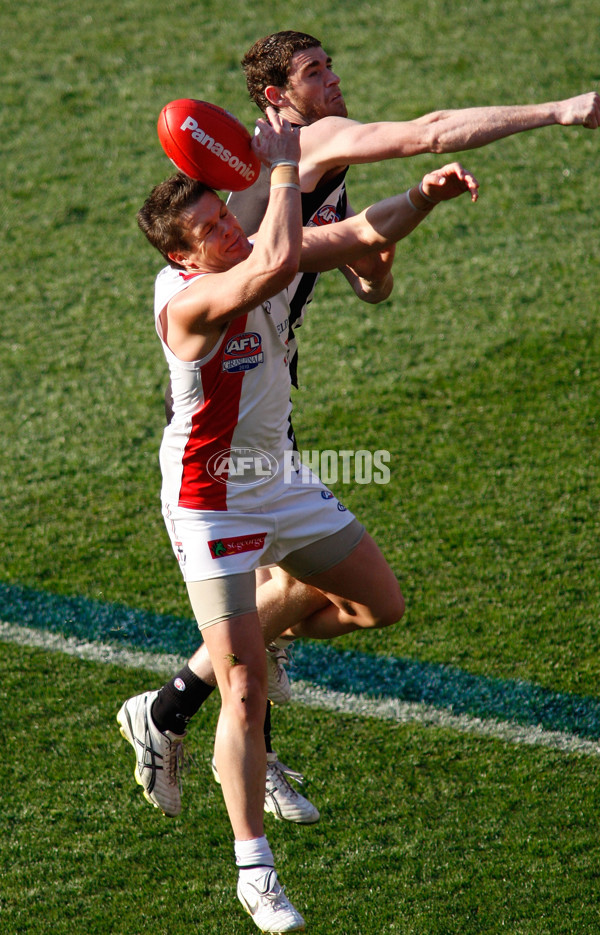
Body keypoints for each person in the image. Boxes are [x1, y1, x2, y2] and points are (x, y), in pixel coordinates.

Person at [132, 29, 600, 826]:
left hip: (264, 396)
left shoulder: (318, 171)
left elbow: (363, 274)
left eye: (330, 67)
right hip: (223, 414)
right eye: (316, 74)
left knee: (307, 601)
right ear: (278, 98)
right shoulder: (309, 144)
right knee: (261, 627)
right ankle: (196, 722)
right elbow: (427, 129)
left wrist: (398, 226)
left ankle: (190, 711)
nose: (336, 81)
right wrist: (565, 109)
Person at [121, 107, 478, 931]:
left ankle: (181, 688)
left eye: (222, 216)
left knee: (375, 605)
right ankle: (255, 871)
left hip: (277, 479)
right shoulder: (195, 301)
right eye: (209, 229)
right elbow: (283, 251)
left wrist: (420, 198)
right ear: (183, 256)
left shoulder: (251, 254)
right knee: (246, 683)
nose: (226, 231)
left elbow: (349, 232)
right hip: (209, 496)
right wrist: (282, 166)